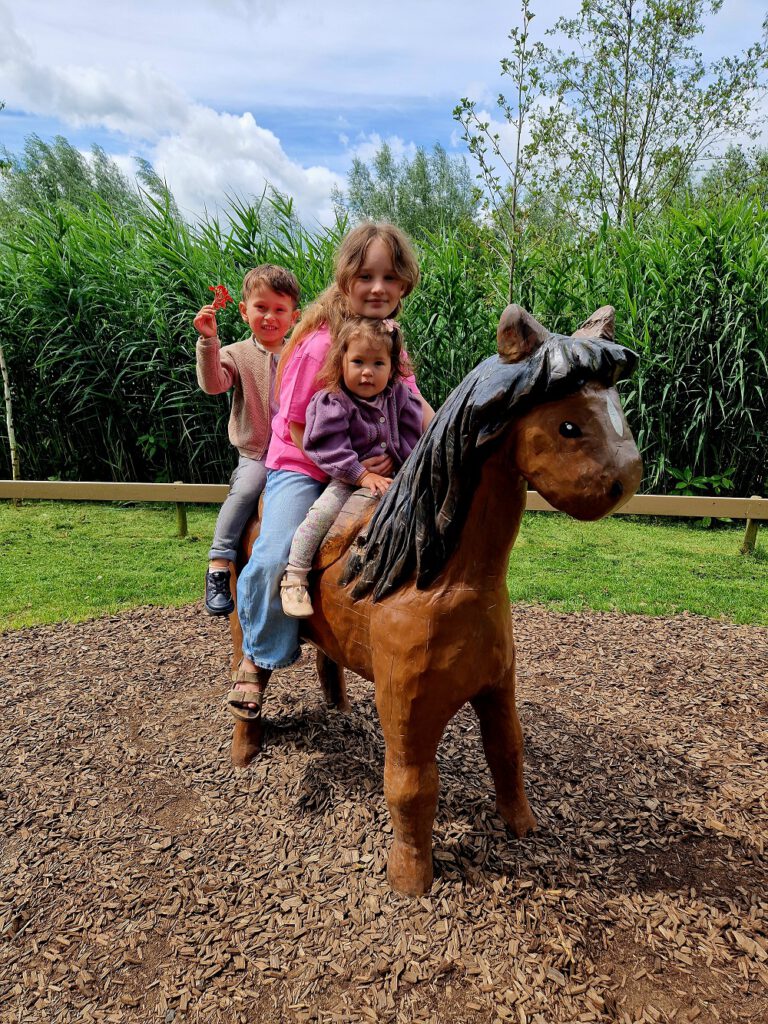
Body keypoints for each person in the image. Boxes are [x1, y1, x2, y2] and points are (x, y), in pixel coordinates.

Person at [228, 222, 434, 722]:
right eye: (366, 275)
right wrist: (357, 469)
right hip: (306, 463)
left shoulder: (387, 339)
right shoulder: (320, 342)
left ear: (405, 283)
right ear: (346, 279)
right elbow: (297, 426)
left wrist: (450, 437)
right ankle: (255, 661)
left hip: (369, 467)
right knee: (276, 551)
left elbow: (413, 404)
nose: (378, 287)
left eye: (390, 276)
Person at [279, 316, 423, 617]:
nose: (367, 372)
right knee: (323, 513)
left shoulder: (399, 397)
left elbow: (411, 436)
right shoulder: (334, 401)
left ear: (392, 367)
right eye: (358, 362)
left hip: (394, 477)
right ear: (341, 362)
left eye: (378, 364)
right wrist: (361, 473)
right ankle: (295, 576)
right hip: (347, 478)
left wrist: (401, 464)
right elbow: (327, 447)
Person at [194, 264, 300, 616]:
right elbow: (213, 384)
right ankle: (219, 564)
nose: (270, 317)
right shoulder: (237, 353)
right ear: (244, 310)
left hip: (296, 454)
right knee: (247, 488)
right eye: (261, 307)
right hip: (256, 453)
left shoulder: (299, 353)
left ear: (294, 316)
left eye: (279, 309)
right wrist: (209, 341)